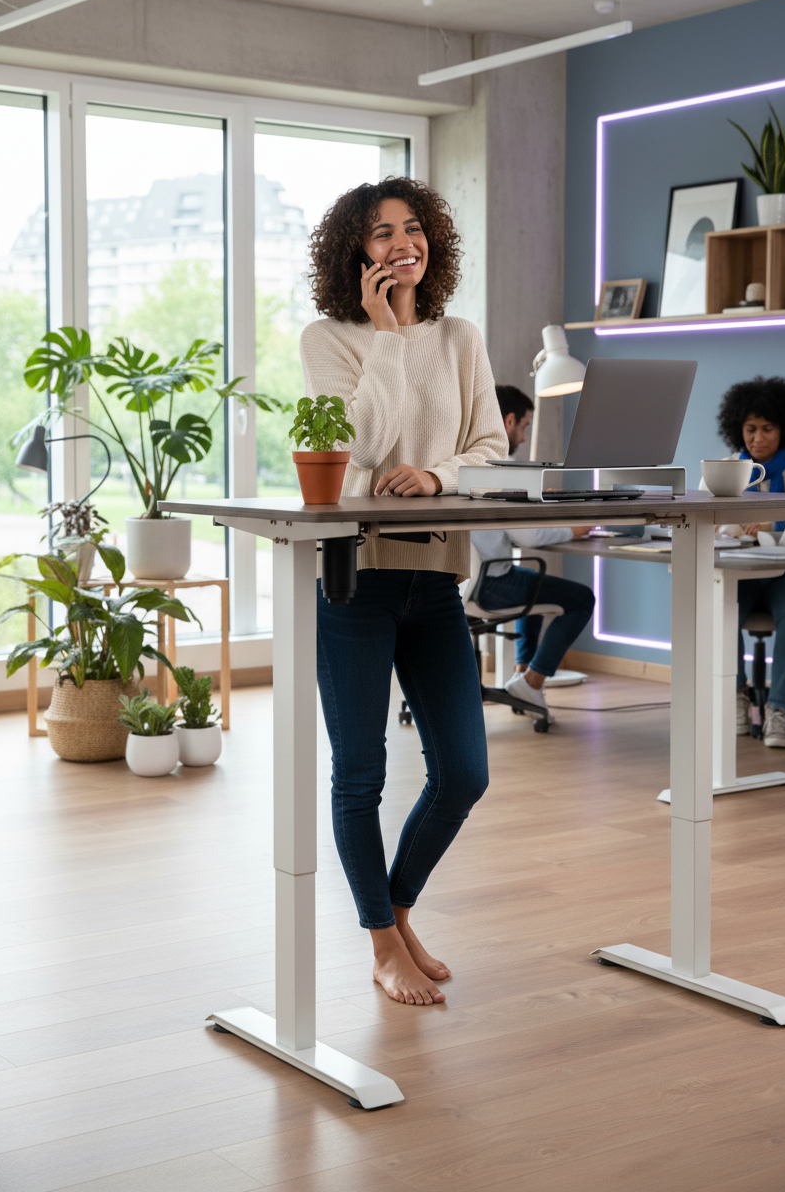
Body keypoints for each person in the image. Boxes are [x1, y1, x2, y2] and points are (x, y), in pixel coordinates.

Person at [300, 178, 508, 1006]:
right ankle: (384, 944)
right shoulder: (330, 338)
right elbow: (356, 448)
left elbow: (493, 447)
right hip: (356, 579)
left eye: (413, 229)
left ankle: (397, 908)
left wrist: (442, 473)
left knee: (463, 771)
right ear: (357, 253)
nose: (401, 245)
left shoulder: (460, 336)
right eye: (381, 234)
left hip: (434, 580)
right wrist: (385, 334)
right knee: (360, 774)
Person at [705, 376, 785, 749]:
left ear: (784, 429)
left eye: (768, 429)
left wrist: (778, 527)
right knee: (720, 604)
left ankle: (778, 710)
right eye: (751, 429)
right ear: (737, 428)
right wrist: (738, 526)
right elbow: (705, 520)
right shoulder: (725, 469)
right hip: (741, 574)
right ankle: (736, 696)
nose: (758, 438)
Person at [471, 385, 595, 718]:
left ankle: (522, 672)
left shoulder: (465, 459)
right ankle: (533, 681)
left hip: (456, 584)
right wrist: (574, 529)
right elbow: (528, 536)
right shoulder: (504, 466)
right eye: (525, 426)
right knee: (582, 599)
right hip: (491, 584)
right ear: (509, 421)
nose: (524, 437)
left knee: (536, 586)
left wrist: (533, 494)